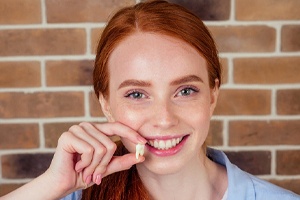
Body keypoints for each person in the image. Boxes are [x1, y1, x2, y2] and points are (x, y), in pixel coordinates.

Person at [2, 1, 299, 200]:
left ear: (213, 95)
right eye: (136, 94)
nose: (164, 119)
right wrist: (53, 184)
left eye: (185, 91)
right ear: (105, 103)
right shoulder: (71, 194)